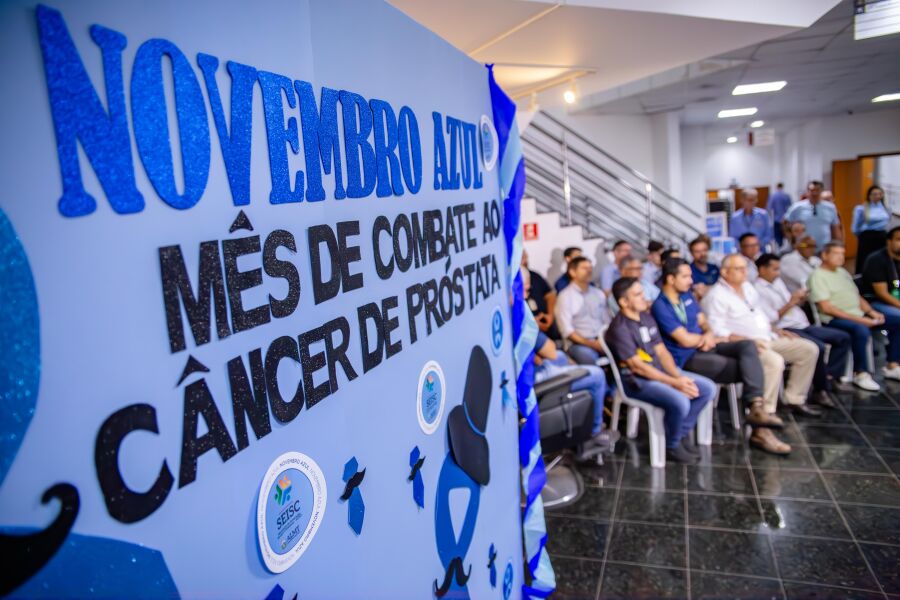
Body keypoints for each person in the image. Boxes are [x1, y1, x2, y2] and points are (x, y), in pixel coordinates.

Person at [652, 259, 792, 454]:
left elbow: (704, 322)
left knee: (748, 346)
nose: (691, 280)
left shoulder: (687, 296)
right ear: (670, 279)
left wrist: (709, 335)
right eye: (685, 276)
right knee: (754, 367)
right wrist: (707, 338)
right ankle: (759, 427)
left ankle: (756, 407)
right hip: (687, 358)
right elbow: (684, 339)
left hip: (706, 346)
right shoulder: (661, 305)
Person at [605, 277, 716, 464]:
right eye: (638, 294)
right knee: (681, 401)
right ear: (624, 302)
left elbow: (662, 352)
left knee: (707, 389)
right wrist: (674, 383)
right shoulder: (619, 328)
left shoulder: (646, 318)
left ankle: (679, 434)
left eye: (643, 293)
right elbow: (638, 367)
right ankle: (671, 446)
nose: (644, 297)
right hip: (637, 382)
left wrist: (677, 376)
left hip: (660, 374)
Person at [703, 254, 820, 421]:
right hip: (744, 345)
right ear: (724, 272)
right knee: (774, 361)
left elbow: (758, 316)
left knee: (808, 349)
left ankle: (794, 398)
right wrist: (746, 340)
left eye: (745, 268)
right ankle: (764, 412)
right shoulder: (716, 296)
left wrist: (776, 329)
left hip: (768, 336)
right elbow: (717, 331)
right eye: (738, 269)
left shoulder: (748, 288)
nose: (744, 272)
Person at [755, 253, 849, 409]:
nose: (778, 273)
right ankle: (820, 390)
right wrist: (792, 302)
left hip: (801, 324)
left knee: (842, 337)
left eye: (779, 269)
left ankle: (829, 377)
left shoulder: (778, 283)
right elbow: (771, 318)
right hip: (784, 326)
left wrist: (800, 299)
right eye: (774, 269)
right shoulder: (757, 289)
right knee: (817, 347)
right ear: (762, 270)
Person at [809, 241, 900, 391]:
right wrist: (861, 320)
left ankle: (893, 365)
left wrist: (871, 312)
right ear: (824, 255)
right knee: (860, 329)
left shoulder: (842, 272)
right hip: (833, 319)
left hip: (858, 314)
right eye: (836, 253)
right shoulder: (817, 276)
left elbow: (857, 297)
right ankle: (861, 373)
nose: (840, 257)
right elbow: (827, 309)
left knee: (897, 321)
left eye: (842, 254)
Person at [533, 327, 618, 452]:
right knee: (597, 375)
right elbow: (550, 351)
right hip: (533, 379)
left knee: (562, 357)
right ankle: (594, 433)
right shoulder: (518, 319)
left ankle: (583, 418)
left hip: (528, 370)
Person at [556, 256, 610, 365]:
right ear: (572, 272)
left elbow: (607, 321)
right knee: (589, 358)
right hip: (580, 343)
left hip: (602, 339)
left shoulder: (598, 293)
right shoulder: (565, 297)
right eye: (584, 268)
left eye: (590, 268)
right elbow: (567, 331)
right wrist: (593, 344)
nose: (589, 271)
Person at [783, 180, 842, 251]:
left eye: (817, 190)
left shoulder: (830, 207)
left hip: (824, 248)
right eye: (812, 190)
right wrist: (791, 240)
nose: (814, 193)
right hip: (804, 247)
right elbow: (785, 223)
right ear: (807, 191)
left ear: (821, 191)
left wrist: (838, 245)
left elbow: (835, 228)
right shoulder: (797, 207)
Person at [861, 225, 900, 322]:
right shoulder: (876, 260)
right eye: (899, 239)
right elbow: (882, 294)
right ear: (889, 241)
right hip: (876, 301)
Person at [522, 251, 560, 339]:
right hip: (528, 331)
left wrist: (550, 315)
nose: (525, 261)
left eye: (526, 257)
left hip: (546, 322)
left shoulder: (535, 276)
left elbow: (550, 295)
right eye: (522, 258)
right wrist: (532, 323)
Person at [852, 185, 889, 271]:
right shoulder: (861, 208)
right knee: (865, 259)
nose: (877, 196)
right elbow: (855, 227)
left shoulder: (885, 208)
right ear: (869, 196)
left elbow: (887, 221)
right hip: (867, 237)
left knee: (881, 260)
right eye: (874, 194)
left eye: (879, 194)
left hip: (882, 236)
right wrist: (862, 237)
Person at [769, 183, 792, 248]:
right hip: (785, 220)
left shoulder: (773, 196)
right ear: (782, 187)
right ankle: (787, 248)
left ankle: (780, 248)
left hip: (777, 219)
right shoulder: (786, 196)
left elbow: (769, 208)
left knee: (778, 236)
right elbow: (790, 207)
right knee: (787, 235)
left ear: (776, 187)